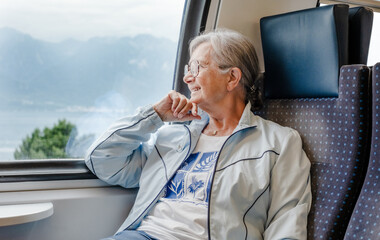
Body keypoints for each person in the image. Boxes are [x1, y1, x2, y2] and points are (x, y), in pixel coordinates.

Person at [85, 29, 312, 240]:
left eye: (196, 68)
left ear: (232, 77)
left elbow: (287, 224)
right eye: (187, 70)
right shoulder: (173, 138)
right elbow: (101, 160)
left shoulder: (279, 143)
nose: (187, 78)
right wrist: (154, 116)